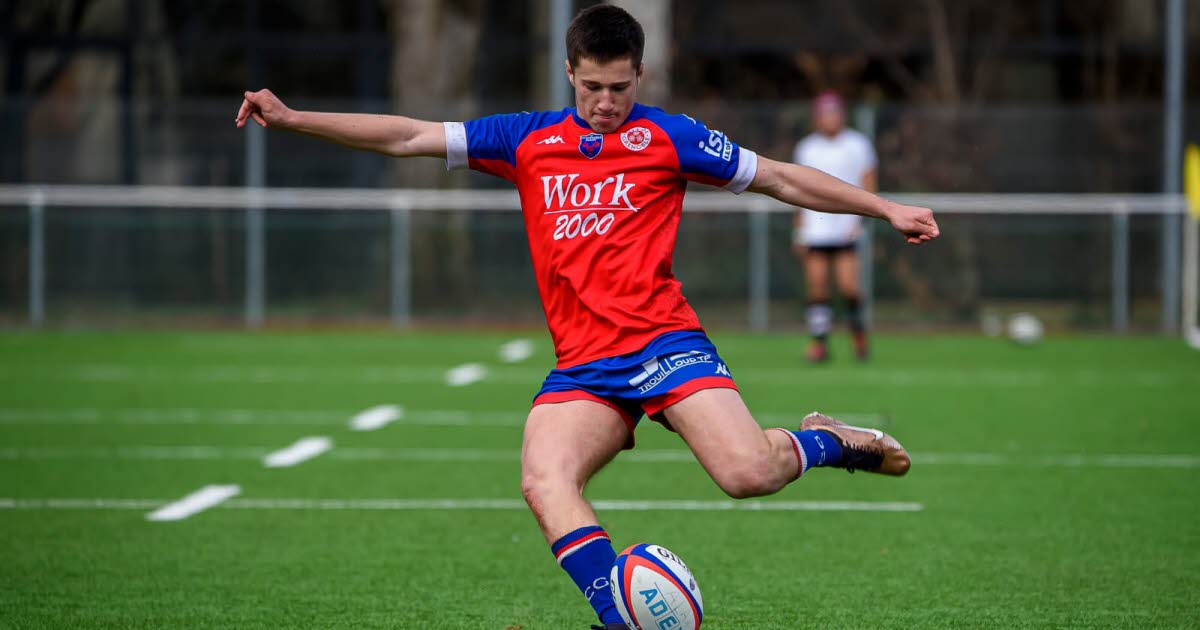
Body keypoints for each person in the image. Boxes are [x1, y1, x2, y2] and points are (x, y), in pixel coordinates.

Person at [235, 7, 938, 629]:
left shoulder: (670, 137)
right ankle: (615, 614)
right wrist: (295, 118)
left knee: (747, 473)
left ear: (641, 76)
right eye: (591, 87)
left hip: (665, 342)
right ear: (568, 72)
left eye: (620, 88)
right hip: (584, 366)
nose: (605, 102)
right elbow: (408, 136)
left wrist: (884, 209)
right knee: (544, 479)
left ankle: (828, 440)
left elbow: (782, 177)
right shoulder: (525, 140)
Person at [792, 91, 880, 363]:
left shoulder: (857, 143)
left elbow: (869, 180)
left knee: (848, 287)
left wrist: (862, 219)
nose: (830, 119)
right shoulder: (807, 147)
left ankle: (858, 335)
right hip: (815, 228)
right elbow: (795, 188)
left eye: (834, 113)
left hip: (845, 227)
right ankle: (820, 344)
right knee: (817, 287)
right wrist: (799, 228)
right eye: (825, 114)